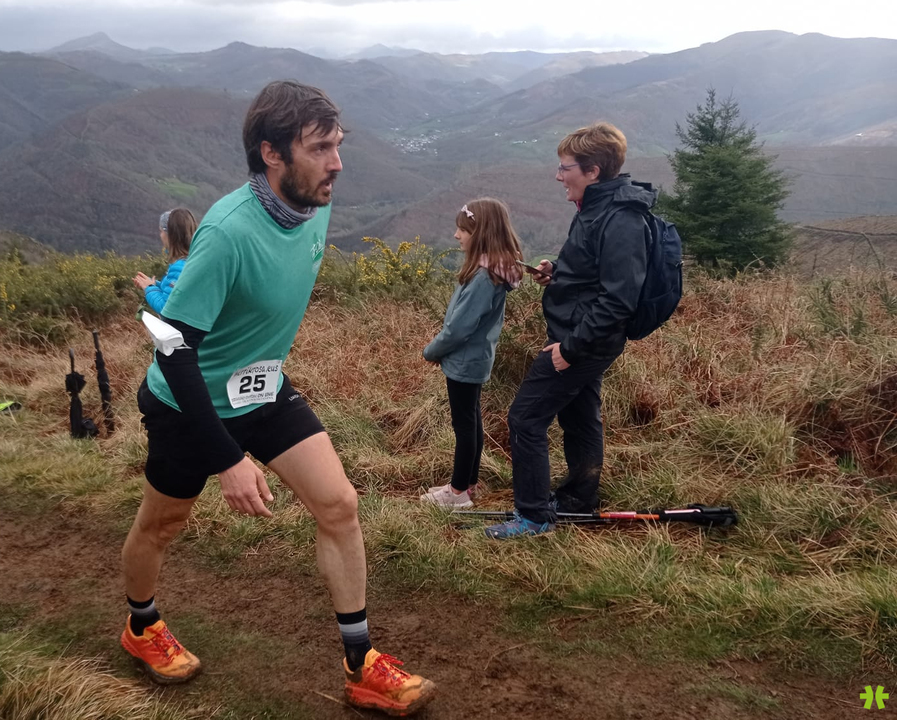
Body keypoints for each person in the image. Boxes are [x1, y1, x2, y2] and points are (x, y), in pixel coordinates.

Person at [119, 80, 437, 716]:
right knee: (163, 524)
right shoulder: (227, 232)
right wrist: (227, 459)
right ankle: (141, 625)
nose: (337, 164)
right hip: (188, 402)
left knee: (339, 504)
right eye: (320, 149)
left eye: (338, 146)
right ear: (271, 153)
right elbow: (174, 349)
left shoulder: (315, 204)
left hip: (261, 386)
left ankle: (360, 664)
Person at [485, 121, 655, 539]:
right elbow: (594, 273)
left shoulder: (621, 219)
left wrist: (571, 349)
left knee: (525, 418)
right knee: (580, 417)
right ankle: (579, 498)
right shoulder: (596, 207)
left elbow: (619, 300)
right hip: (579, 335)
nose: (558, 176)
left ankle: (533, 516)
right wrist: (557, 272)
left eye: (565, 168)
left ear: (592, 171)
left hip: (583, 341)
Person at [420, 198, 523, 508]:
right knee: (472, 421)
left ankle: (457, 493)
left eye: (463, 230)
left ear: (480, 234)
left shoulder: (483, 278)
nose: (456, 235)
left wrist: (432, 351)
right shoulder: (491, 272)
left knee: (464, 426)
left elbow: (458, 329)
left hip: (464, 361)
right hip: (474, 358)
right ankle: (469, 484)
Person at [133, 208, 197, 313]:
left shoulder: (179, 267)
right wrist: (154, 285)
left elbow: (166, 308)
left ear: (170, 235)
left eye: (161, 231)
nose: (160, 235)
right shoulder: (192, 260)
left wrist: (149, 288)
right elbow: (175, 293)